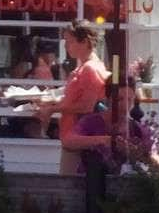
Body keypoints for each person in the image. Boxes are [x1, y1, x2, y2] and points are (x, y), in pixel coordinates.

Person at [27, 20, 111, 175]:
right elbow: (74, 99)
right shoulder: (86, 66)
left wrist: (52, 109)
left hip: (78, 137)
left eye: (69, 41)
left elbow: (86, 106)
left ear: (84, 42)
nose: (66, 46)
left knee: (69, 186)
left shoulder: (90, 69)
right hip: (73, 135)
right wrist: (49, 101)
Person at [61, 78, 159, 175]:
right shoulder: (92, 122)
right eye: (119, 100)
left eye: (129, 100)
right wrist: (106, 140)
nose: (124, 105)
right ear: (108, 99)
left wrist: (139, 154)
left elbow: (155, 158)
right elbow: (68, 140)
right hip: (90, 183)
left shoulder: (137, 129)